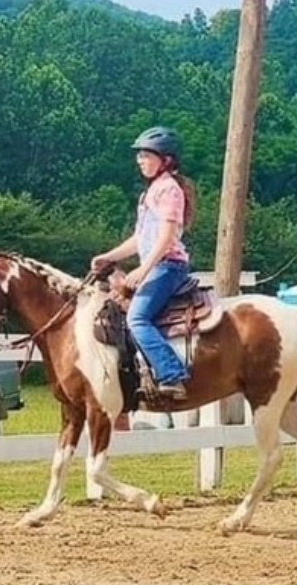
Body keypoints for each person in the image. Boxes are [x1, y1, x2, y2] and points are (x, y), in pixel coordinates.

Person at [91, 126, 197, 400]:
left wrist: (142, 269)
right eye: (139, 156)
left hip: (168, 266)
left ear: (167, 160)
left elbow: (166, 238)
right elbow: (140, 239)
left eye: (146, 156)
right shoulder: (149, 193)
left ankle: (172, 376)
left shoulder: (170, 191)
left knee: (137, 318)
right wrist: (108, 257)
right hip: (156, 264)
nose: (140, 161)